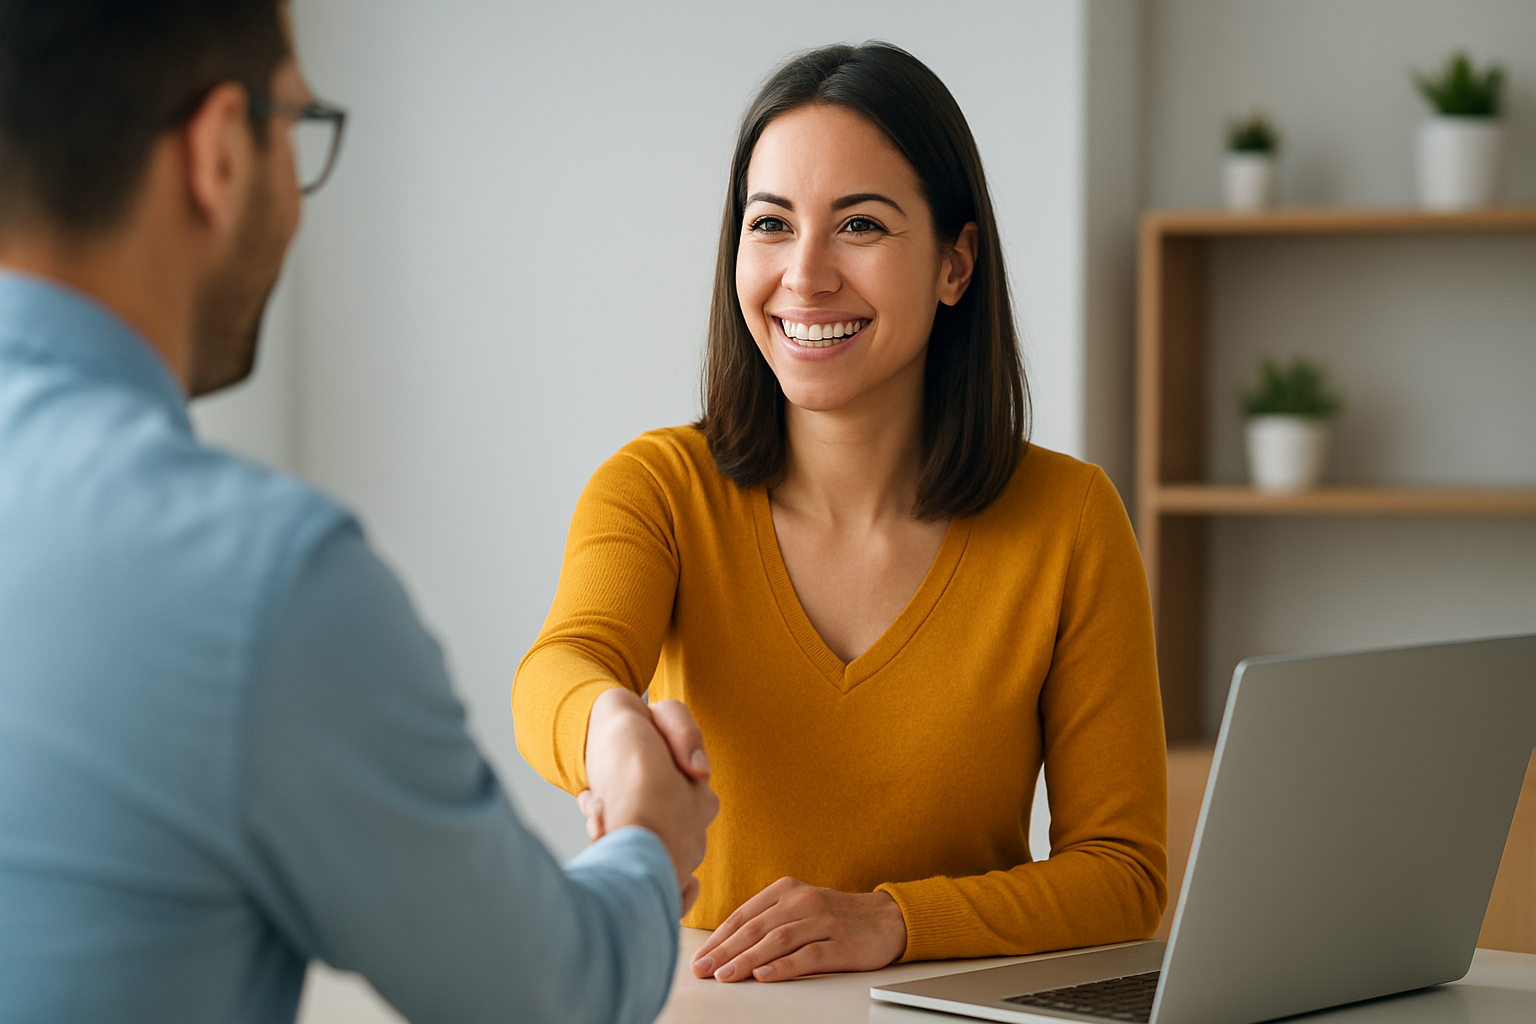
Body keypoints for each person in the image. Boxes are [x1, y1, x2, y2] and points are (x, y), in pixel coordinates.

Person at [0, 2, 716, 1022]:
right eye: (297, 125)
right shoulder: (263, 582)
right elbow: (553, 995)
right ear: (217, 155)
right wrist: (650, 835)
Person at [512, 41, 1168, 985]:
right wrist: (612, 734)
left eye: (859, 225)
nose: (805, 275)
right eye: (771, 224)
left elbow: (1123, 875)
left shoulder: (1071, 520)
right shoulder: (656, 487)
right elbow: (557, 669)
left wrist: (894, 922)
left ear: (955, 262)